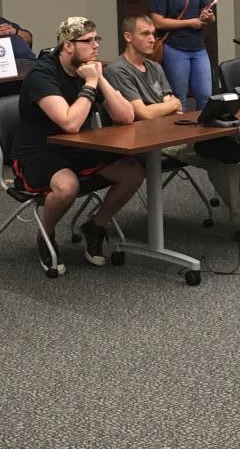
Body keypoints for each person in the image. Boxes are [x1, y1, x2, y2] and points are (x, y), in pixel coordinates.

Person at [105, 15, 240, 245]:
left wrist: (167, 107)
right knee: (218, 152)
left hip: (170, 131)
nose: (152, 39)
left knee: (222, 150)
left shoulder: (154, 66)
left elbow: (174, 105)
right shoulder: (117, 70)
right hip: (142, 140)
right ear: (128, 37)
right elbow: (144, 114)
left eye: (154, 34)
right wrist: (168, 106)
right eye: (145, 34)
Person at [11, 17, 145, 274]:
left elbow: (126, 116)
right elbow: (69, 122)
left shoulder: (89, 70)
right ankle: (46, 234)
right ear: (67, 46)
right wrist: (91, 83)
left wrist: (101, 79)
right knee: (67, 187)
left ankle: (96, 225)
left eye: (97, 39)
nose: (96, 46)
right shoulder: (42, 73)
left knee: (133, 172)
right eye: (88, 41)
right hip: (38, 150)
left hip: (76, 146)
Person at [148, 0, 214, 110]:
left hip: (198, 48)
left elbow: (209, 18)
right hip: (175, 47)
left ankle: (205, 136)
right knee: (179, 98)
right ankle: (183, 135)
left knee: (206, 96)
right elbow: (157, 22)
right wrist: (189, 22)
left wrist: (208, 16)